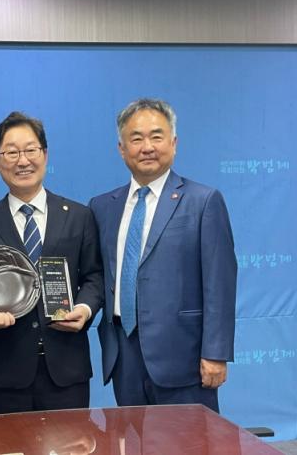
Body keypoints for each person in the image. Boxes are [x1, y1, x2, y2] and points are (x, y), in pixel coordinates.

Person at [89, 98, 236, 412]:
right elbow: (99, 276)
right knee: (130, 436)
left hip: (184, 356)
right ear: (121, 148)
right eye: (136, 138)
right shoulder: (102, 207)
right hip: (123, 354)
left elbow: (219, 283)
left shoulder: (203, 201)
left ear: (174, 143)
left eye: (156, 136)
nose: (147, 147)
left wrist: (216, 352)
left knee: (189, 438)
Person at [0, 111, 103, 415]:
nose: (22, 161)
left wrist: (84, 308)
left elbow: (94, 276)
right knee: (8, 442)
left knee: (72, 440)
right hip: (7, 370)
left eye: (30, 150)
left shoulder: (79, 216)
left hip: (67, 368)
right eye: (11, 153)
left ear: (45, 155)